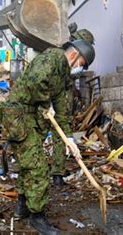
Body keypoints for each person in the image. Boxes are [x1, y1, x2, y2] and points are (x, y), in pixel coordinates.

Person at [0, 39, 95, 234]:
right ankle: (37, 216)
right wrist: (44, 103)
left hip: (31, 121)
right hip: (19, 116)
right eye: (82, 64)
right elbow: (35, 82)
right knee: (38, 168)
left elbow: (61, 110)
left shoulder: (62, 75)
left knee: (28, 165)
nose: (80, 69)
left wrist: (69, 139)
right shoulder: (53, 58)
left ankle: (22, 208)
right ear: (74, 55)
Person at [51, 28, 95, 186]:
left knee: (61, 136)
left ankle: (56, 172)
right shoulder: (61, 58)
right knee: (59, 136)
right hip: (54, 103)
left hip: (61, 102)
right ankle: (55, 174)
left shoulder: (67, 57)